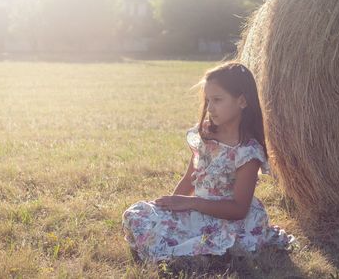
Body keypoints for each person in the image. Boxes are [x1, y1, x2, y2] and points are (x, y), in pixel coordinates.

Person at [122, 62, 297, 263]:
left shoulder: (248, 151)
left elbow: (239, 209)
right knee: (135, 214)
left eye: (217, 100)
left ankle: (190, 257)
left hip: (227, 219)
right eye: (207, 100)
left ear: (242, 101)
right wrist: (171, 206)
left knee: (205, 237)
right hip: (197, 210)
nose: (210, 108)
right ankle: (179, 252)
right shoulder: (205, 134)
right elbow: (190, 178)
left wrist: (191, 202)